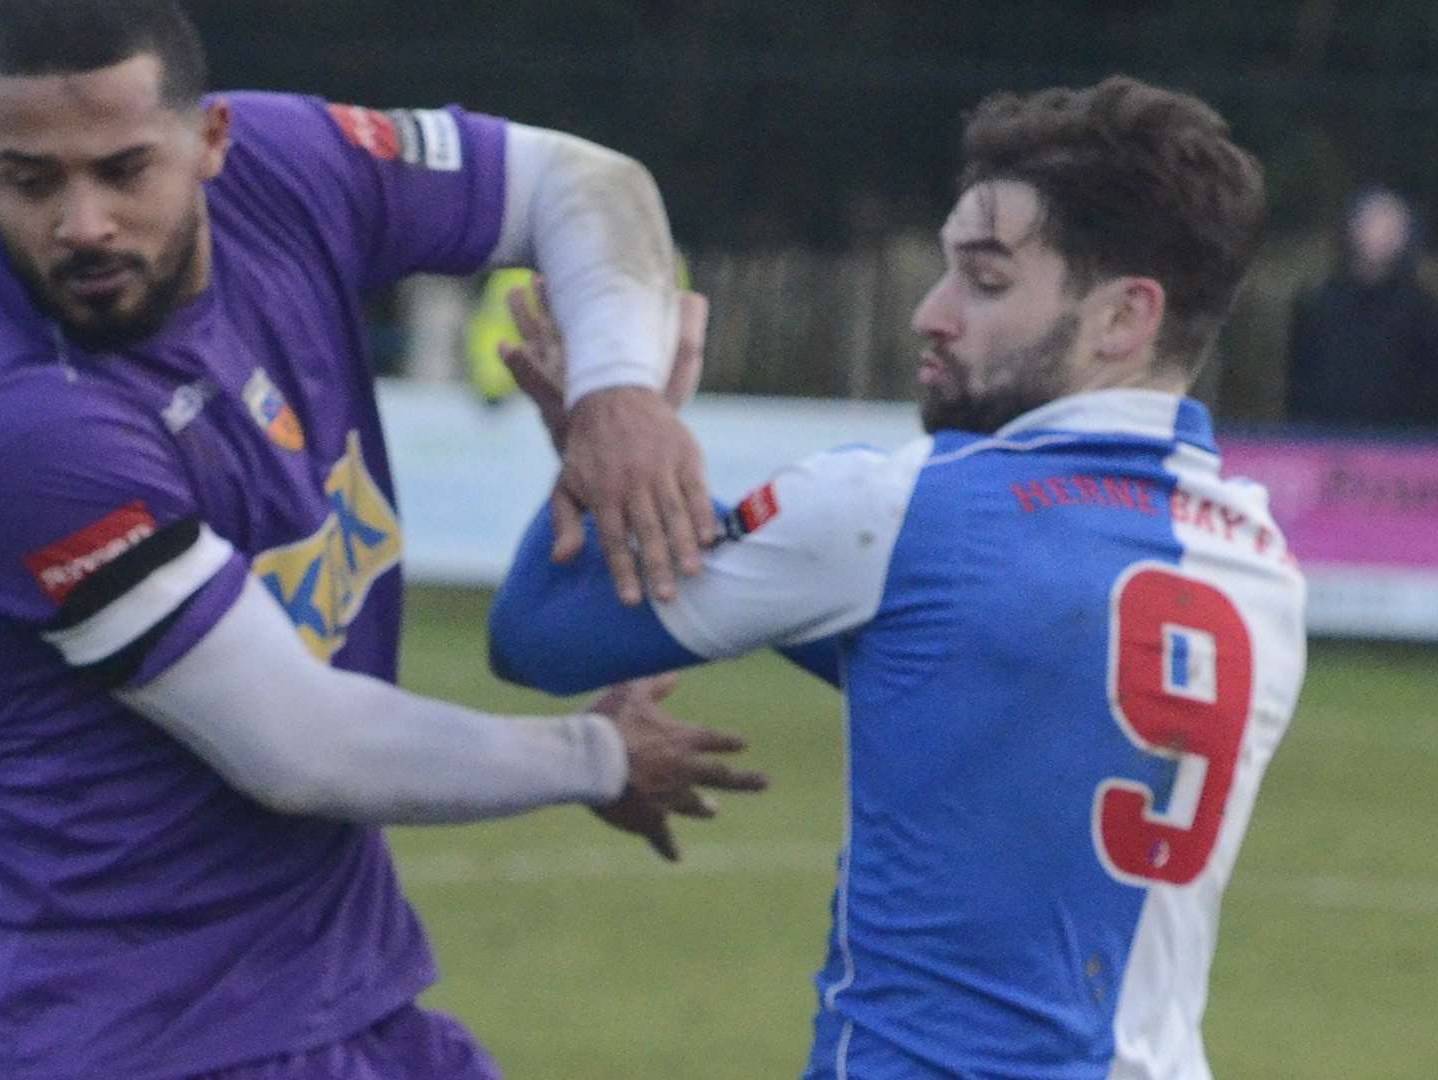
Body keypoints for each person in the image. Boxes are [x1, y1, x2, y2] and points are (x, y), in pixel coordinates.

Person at [0, 2, 767, 1077]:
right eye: (34, 182)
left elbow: (587, 182)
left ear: (212, 141)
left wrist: (618, 393)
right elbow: (301, 749)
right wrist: (597, 757)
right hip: (112, 1020)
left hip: (311, 980)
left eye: (126, 171)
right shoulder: (23, 430)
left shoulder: (286, 170)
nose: (85, 223)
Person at [490, 76, 1305, 1078]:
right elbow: (962, 690)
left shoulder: (900, 509)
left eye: (987, 281)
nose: (932, 313)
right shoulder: (1259, 564)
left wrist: (597, 435)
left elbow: (540, 634)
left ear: (1121, 320)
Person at [1286, 187, 1438, 430]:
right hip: (1325, 441)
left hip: (1401, 446)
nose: (1382, 235)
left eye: (1391, 226)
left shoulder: (1423, 311)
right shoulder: (1318, 304)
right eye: (1373, 224)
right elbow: (1302, 381)